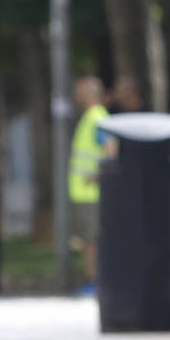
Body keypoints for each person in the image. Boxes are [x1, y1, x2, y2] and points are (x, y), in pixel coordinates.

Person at [67, 75, 112, 297]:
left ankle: (96, 282)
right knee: (85, 240)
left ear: (90, 92)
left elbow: (111, 147)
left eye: (80, 90)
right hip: (83, 192)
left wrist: (98, 175)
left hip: (91, 192)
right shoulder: (90, 117)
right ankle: (92, 280)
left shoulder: (97, 118)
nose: (76, 94)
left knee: (92, 240)